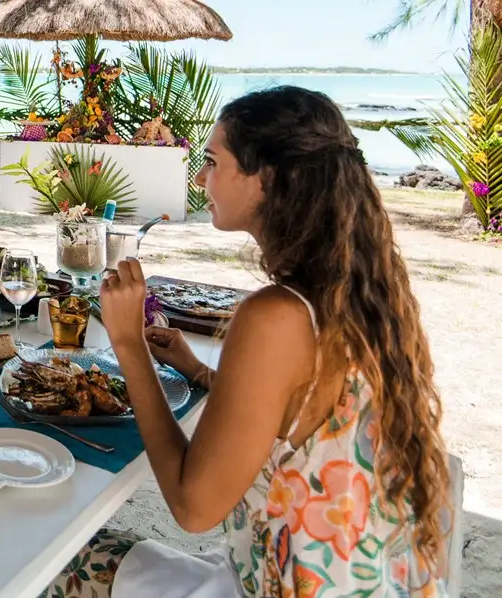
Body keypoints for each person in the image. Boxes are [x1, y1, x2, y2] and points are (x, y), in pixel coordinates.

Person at [48, 86, 450, 598]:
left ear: (268, 178)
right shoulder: (352, 292)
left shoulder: (275, 316)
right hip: (346, 576)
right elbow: (295, 415)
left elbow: (194, 507)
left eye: (213, 162)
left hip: (275, 586)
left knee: (60, 560)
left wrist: (128, 343)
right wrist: (198, 371)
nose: (200, 178)